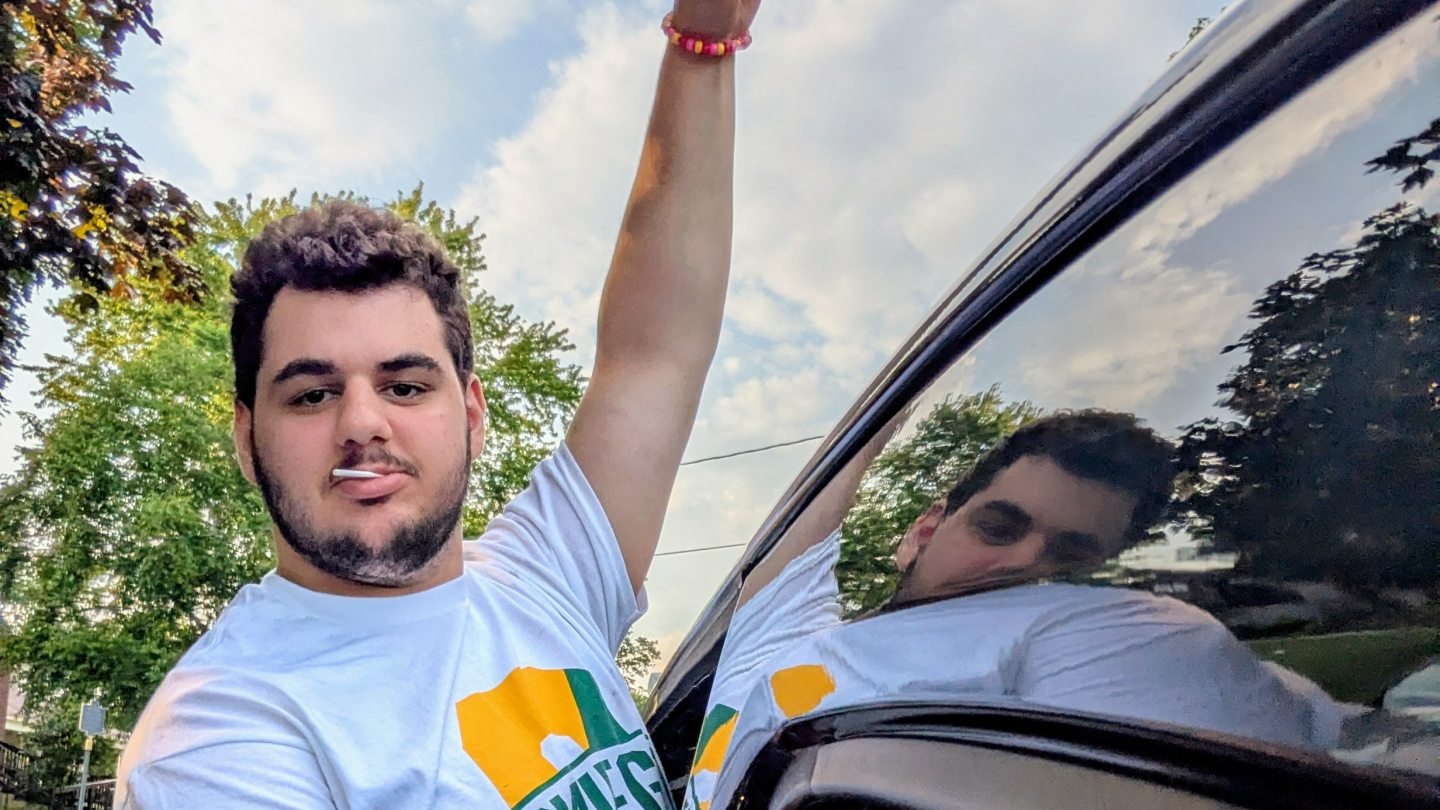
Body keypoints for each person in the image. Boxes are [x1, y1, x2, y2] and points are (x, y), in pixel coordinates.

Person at [114, 3, 763, 808]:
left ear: (472, 414)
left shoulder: (545, 575)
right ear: (246, 438)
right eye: (312, 394)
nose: (362, 423)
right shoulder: (218, 739)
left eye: (405, 386)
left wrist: (704, 46)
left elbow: (654, 355)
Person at [684, 410, 1343, 810]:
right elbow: (831, 475)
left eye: (1071, 554)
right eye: (999, 527)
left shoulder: (1106, 634)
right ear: (922, 533)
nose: (1027, 561)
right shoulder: (784, 636)